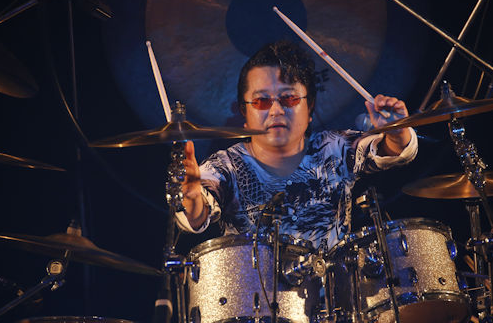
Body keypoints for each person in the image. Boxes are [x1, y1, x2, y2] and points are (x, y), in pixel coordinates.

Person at [175, 41, 417, 249]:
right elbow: (197, 215)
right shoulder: (225, 166)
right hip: (251, 289)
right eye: (261, 101)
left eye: (289, 98)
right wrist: (192, 197)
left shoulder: (334, 148)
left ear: (310, 107)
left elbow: (392, 151)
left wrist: (396, 133)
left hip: (334, 288)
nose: (276, 110)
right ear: (244, 113)